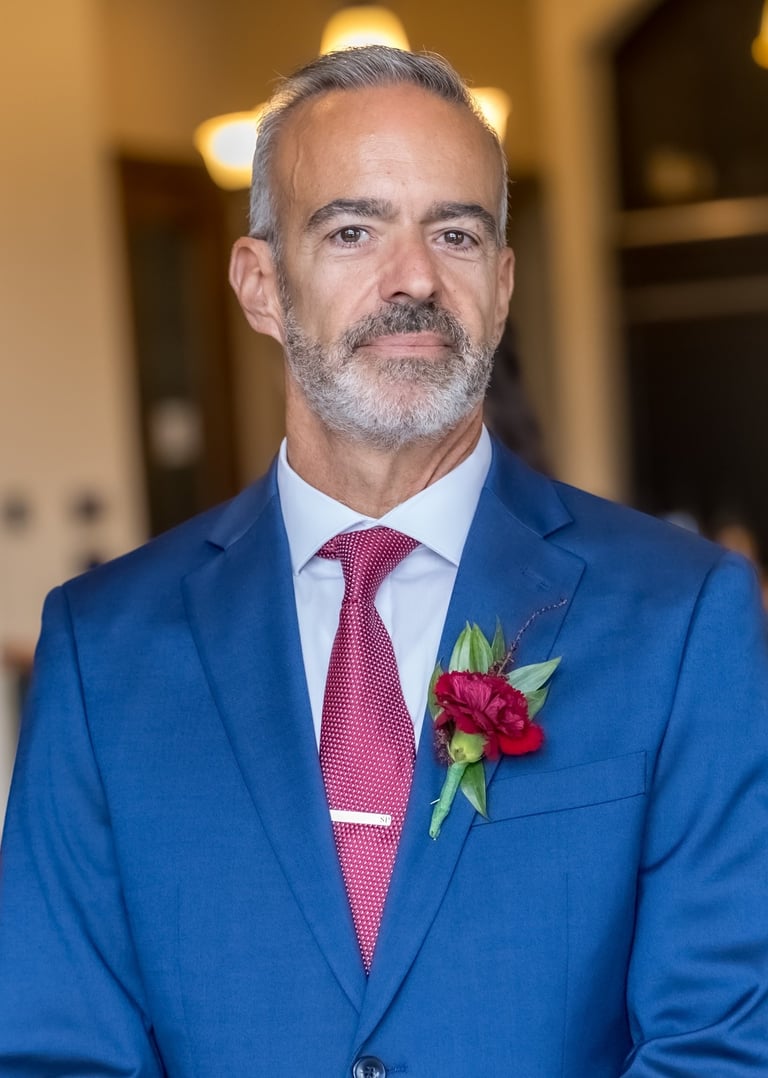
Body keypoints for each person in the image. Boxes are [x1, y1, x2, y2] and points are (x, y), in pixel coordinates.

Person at [1, 46, 767, 1078]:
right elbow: (51, 1052)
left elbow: (720, 1044)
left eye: (455, 233)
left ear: (501, 286)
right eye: (352, 231)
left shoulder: (683, 616)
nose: (413, 278)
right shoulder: (102, 649)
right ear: (261, 285)